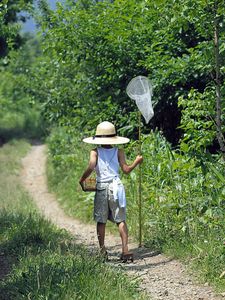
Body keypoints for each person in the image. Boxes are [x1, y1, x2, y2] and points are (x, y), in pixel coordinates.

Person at [79, 121, 143, 262]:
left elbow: (91, 166)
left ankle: (103, 251)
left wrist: (82, 179)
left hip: (102, 187)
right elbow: (126, 170)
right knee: (120, 220)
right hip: (116, 187)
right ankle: (125, 250)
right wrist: (136, 162)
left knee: (101, 221)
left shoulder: (95, 152)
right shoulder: (118, 151)